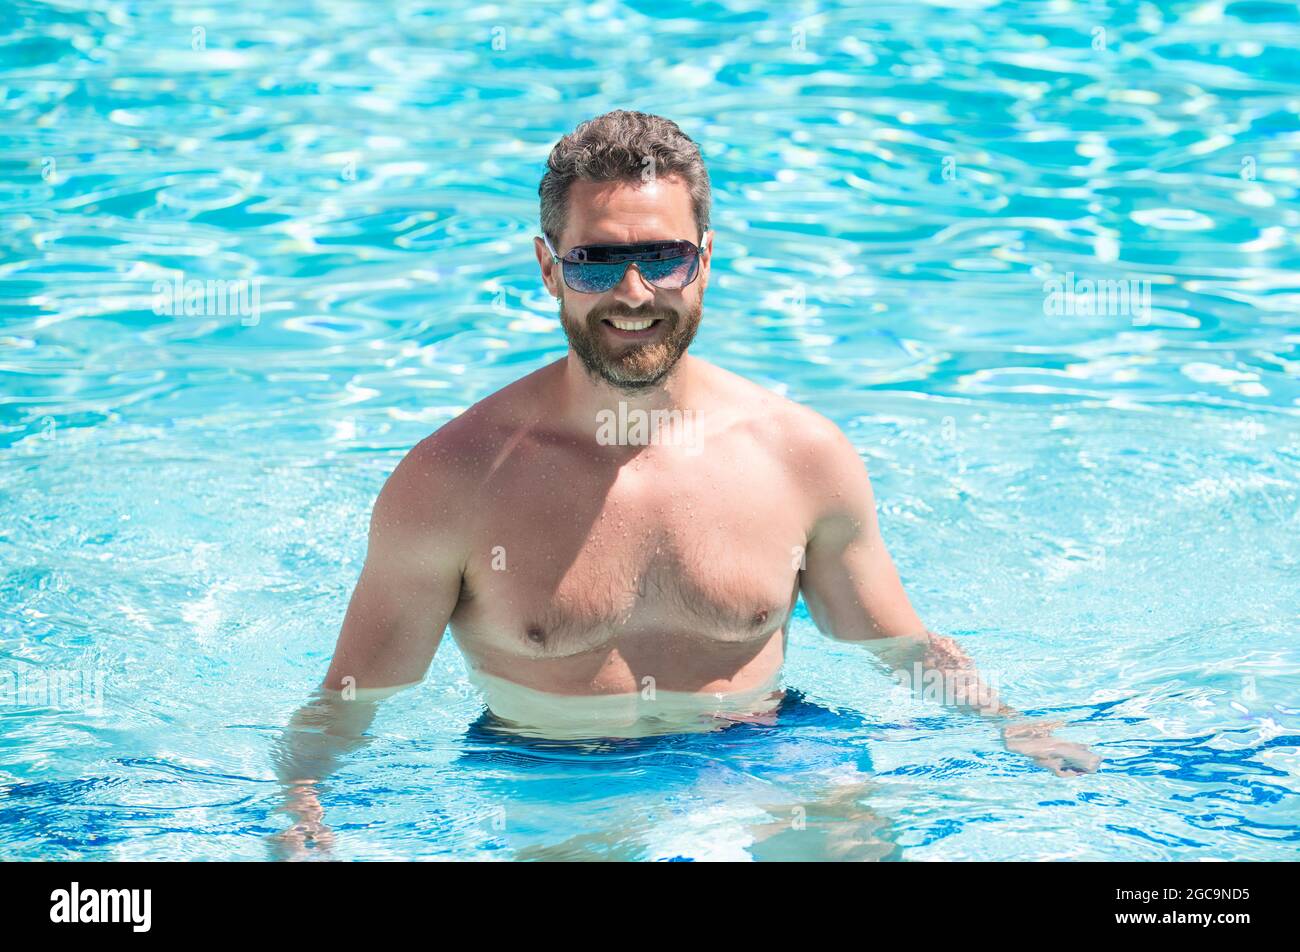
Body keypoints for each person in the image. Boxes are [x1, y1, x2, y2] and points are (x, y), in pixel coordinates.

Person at [271, 110, 1100, 858]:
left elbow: (898, 646)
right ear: (548, 268)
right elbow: (351, 696)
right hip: (552, 768)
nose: (634, 294)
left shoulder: (799, 455)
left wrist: (1008, 724)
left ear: (703, 260)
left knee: (855, 840)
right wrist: (297, 800)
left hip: (762, 744)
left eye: (661, 257)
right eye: (597, 262)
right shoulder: (453, 480)